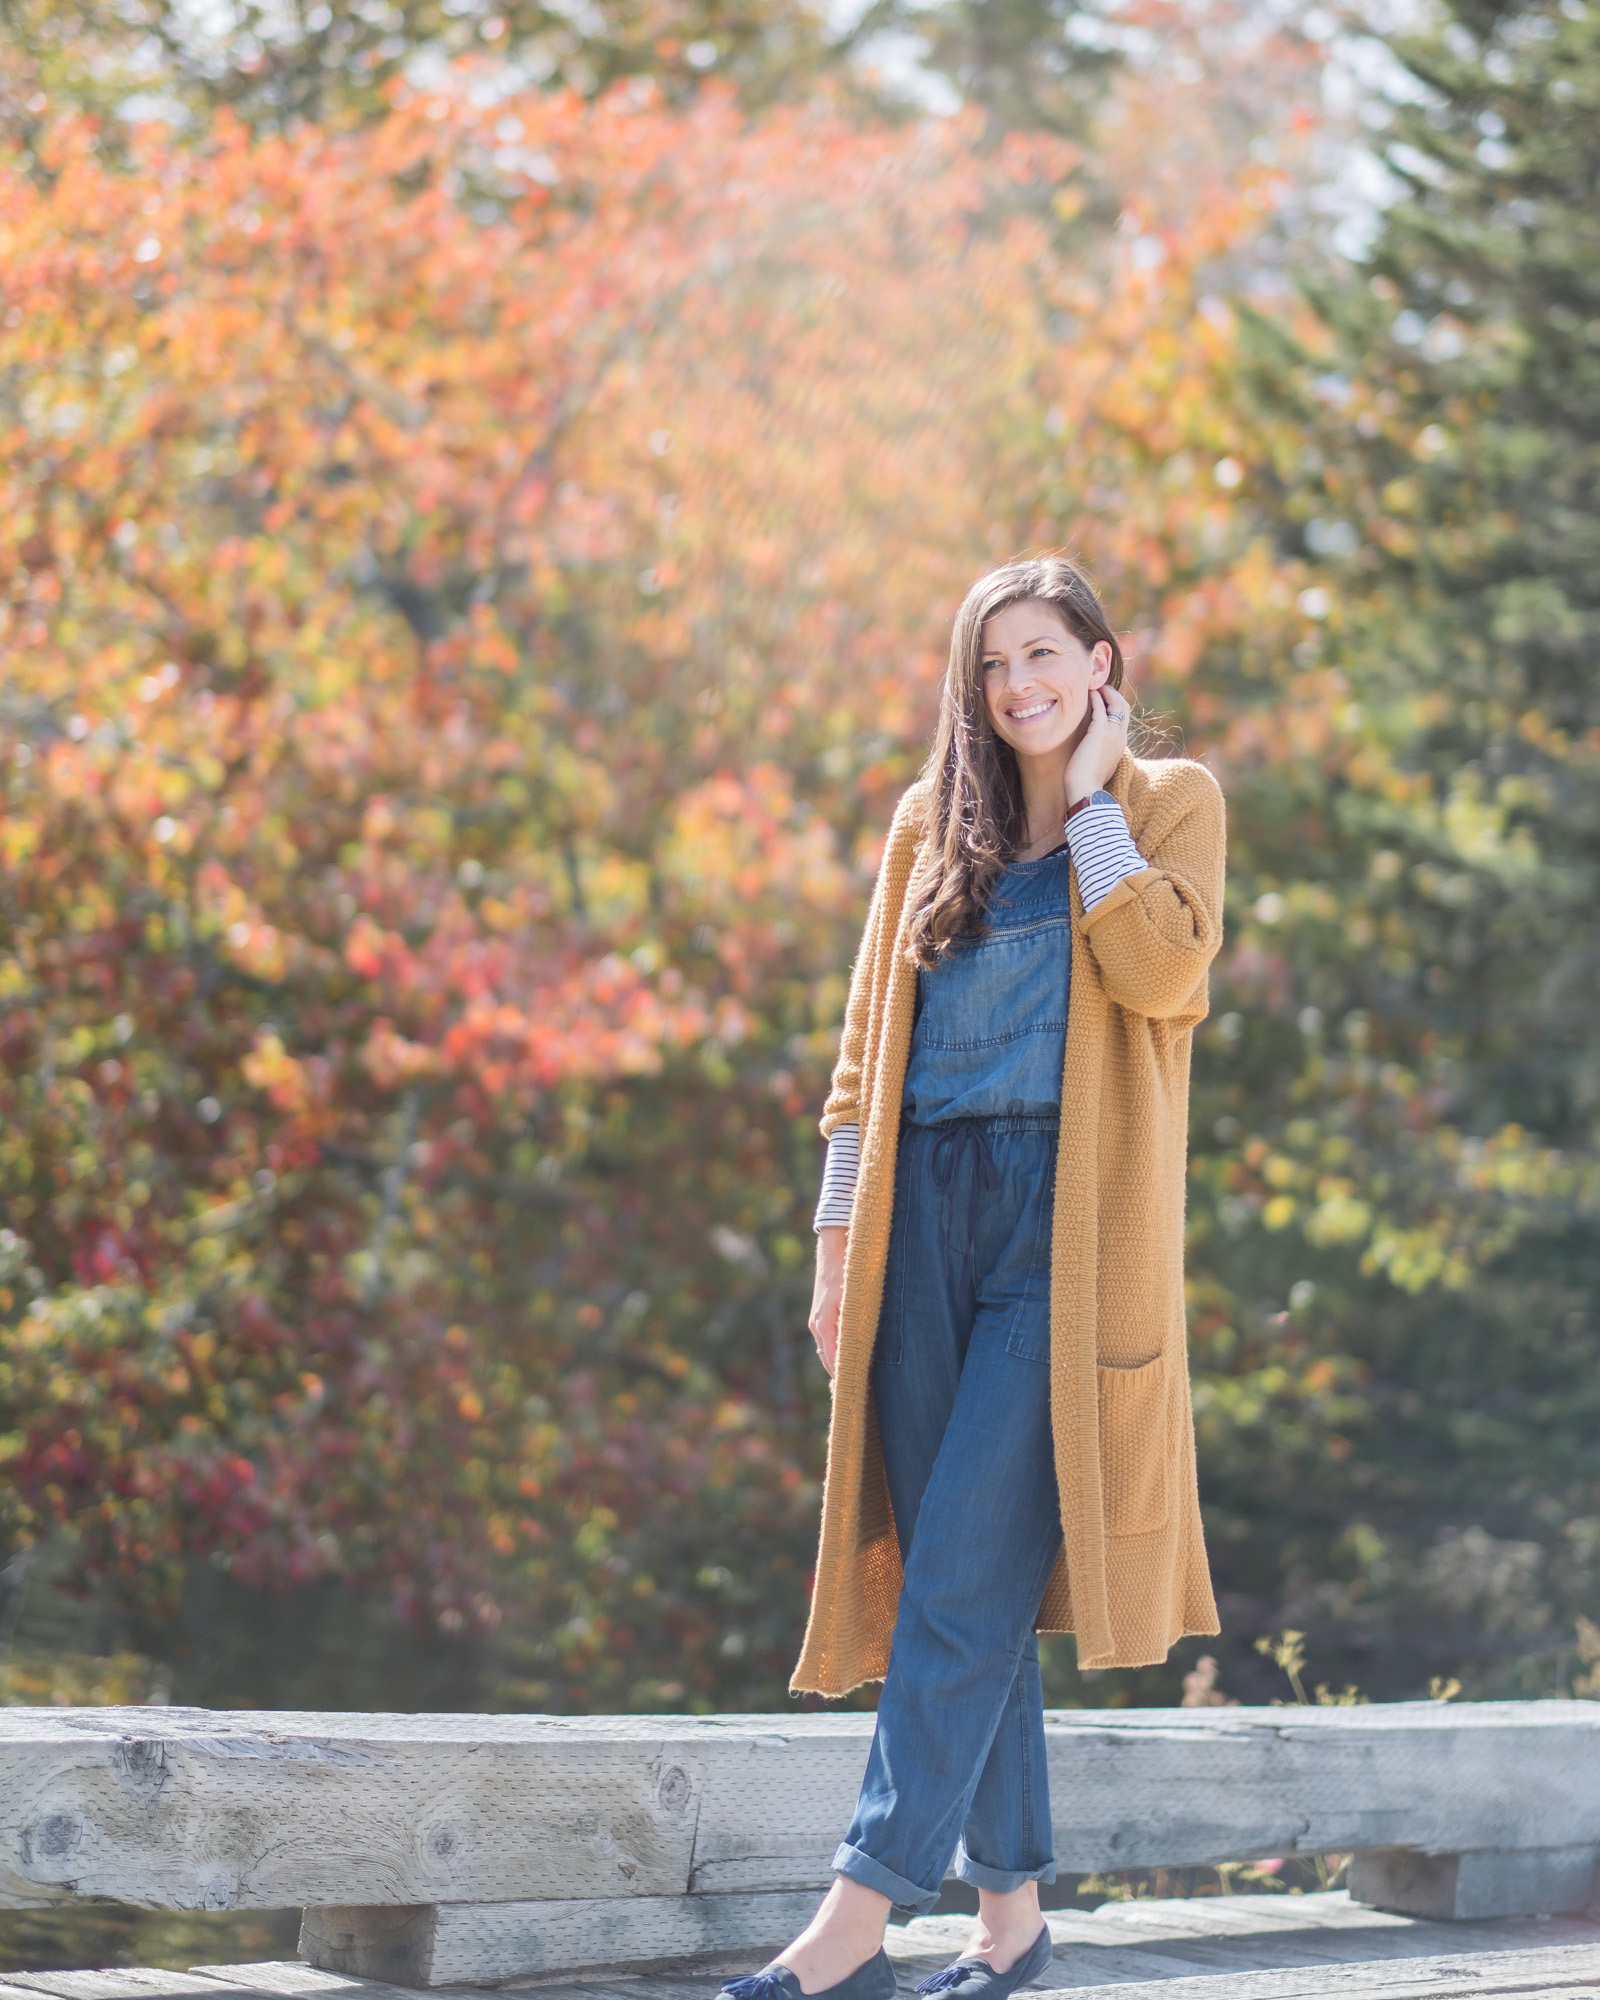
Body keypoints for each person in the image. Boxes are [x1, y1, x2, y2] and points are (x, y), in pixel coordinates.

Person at [722, 555, 1225, 2000]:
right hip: (914, 1227)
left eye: (1043, 655)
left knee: (952, 1578)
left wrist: (1090, 810)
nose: (1018, 686)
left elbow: (1164, 976)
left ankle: (851, 1931)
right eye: (992, 664)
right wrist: (835, 1251)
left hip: (1059, 1239)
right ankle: (1010, 1926)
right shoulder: (919, 829)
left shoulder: (1169, 803)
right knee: (972, 1585)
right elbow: (856, 1070)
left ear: (1099, 661)